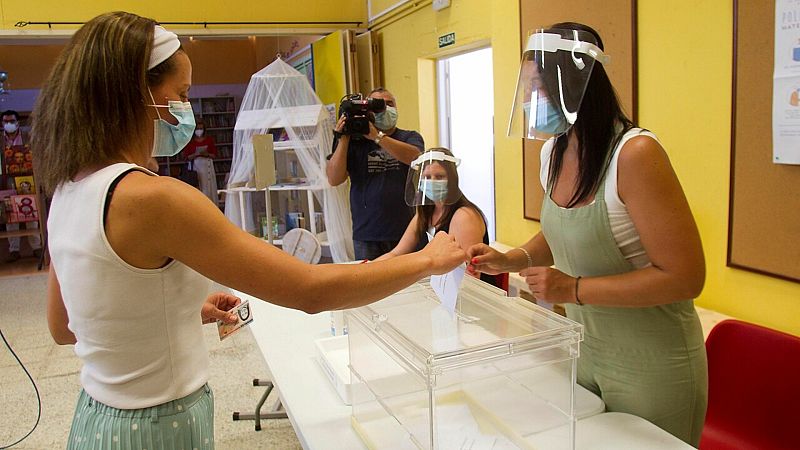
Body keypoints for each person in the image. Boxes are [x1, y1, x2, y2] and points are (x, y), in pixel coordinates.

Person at [32, 13, 465, 449]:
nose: (184, 110)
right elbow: (310, 290)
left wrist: (175, 312)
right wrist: (427, 260)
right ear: (135, 94)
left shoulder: (69, 188)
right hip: (155, 427)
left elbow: (66, 326)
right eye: (181, 94)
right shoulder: (153, 199)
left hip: (97, 420)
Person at [468, 23, 707, 446]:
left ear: (574, 85)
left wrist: (574, 289)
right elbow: (561, 231)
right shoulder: (553, 153)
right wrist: (512, 259)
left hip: (653, 365)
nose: (529, 101)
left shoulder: (635, 154)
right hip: (585, 351)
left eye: (537, 89)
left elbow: (685, 277)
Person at [375, 148, 501, 288]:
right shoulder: (425, 213)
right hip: (434, 290)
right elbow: (396, 254)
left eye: (439, 177)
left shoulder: (464, 216)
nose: (432, 181)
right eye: (427, 177)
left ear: (452, 179)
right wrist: (368, 269)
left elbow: (468, 278)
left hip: (467, 295)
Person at [326, 87, 424, 261]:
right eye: (378, 105)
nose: (385, 108)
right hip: (366, 234)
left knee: (407, 278)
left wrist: (377, 137)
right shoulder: (354, 142)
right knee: (368, 278)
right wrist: (344, 139)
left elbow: (415, 158)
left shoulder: (409, 137)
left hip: (405, 230)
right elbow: (334, 179)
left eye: (390, 104)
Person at [1, 110, 42, 262]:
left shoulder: (28, 136)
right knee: (10, 213)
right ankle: (14, 250)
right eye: (5, 121)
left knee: (31, 212)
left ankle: (36, 247)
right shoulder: (1, 139)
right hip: (7, 180)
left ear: (17, 122)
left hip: (27, 178)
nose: (8, 124)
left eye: (11, 121)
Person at [182, 118, 219, 205]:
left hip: (207, 167)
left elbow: (214, 155)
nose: (199, 131)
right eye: (197, 129)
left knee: (208, 187)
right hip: (195, 168)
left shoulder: (209, 140)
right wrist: (195, 154)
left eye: (201, 128)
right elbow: (186, 157)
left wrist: (206, 154)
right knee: (198, 186)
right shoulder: (190, 142)